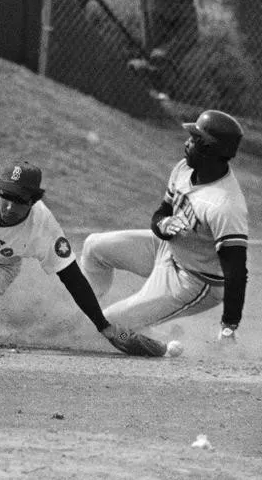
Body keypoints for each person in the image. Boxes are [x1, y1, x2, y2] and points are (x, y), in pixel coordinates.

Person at [0, 160, 170, 355]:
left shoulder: (43, 227)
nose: (9, 206)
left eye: (20, 200)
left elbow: (73, 279)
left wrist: (105, 327)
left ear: (33, 200)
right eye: (6, 196)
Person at [79, 110, 249, 344]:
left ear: (209, 149)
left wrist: (229, 325)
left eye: (194, 139)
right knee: (93, 246)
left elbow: (236, 272)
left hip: (194, 281)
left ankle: (147, 336)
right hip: (166, 249)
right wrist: (163, 224)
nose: (187, 143)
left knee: (106, 324)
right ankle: (81, 313)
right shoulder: (184, 169)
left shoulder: (224, 205)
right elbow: (161, 214)